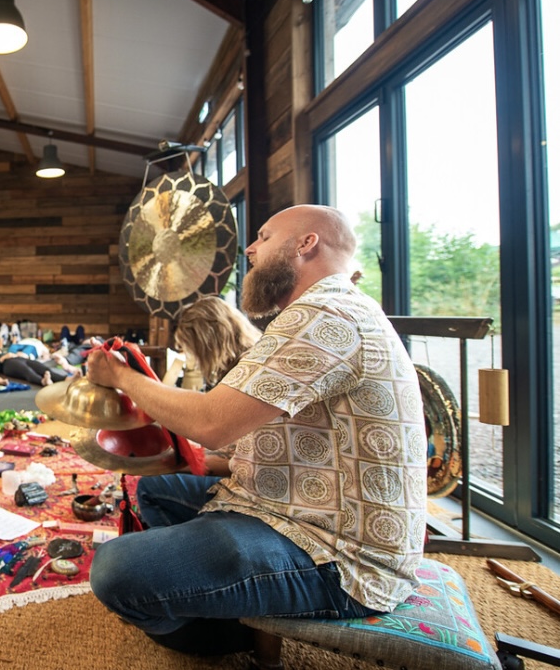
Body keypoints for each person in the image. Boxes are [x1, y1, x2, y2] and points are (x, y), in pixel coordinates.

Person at [86, 205, 426, 658]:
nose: (250, 248)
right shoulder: (320, 311)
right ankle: (214, 588)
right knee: (156, 490)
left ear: (307, 243)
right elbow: (268, 438)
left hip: (338, 553)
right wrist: (198, 459)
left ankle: (232, 635)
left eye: (264, 236)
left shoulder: (329, 314)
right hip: (278, 503)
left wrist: (123, 378)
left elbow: (211, 422)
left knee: (115, 571)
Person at [171, 296, 263, 476]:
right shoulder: (249, 357)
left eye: (194, 350)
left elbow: (240, 459)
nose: (196, 361)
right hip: (246, 466)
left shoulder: (247, 369)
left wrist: (180, 465)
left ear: (208, 343)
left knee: (151, 484)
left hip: (252, 477)